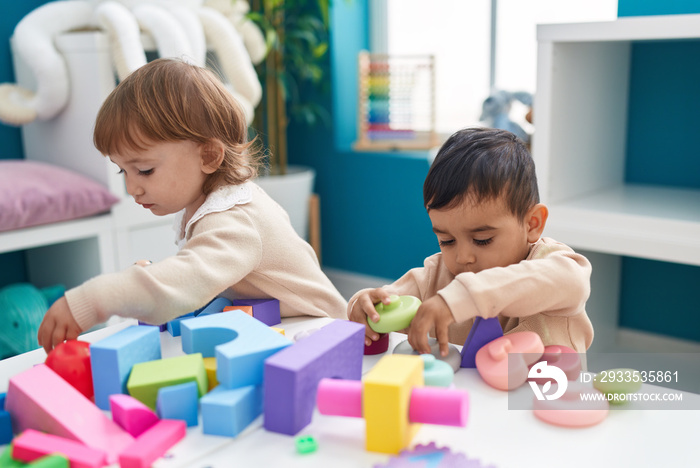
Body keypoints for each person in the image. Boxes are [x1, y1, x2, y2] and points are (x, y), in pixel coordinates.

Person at [38, 58, 347, 353]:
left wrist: (92, 300)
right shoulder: (214, 202)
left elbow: (182, 286)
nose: (132, 188)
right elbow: (203, 278)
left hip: (324, 335)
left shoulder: (234, 219)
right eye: (123, 171)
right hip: (279, 327)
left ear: (209, 156)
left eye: (144, 170)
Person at [348, 127, 593, 356]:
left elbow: (572, 282)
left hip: (545, 398)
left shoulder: (553, 265)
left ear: (532, 224)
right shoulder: (435, 277)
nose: (462, 257)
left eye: (482, 240)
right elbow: (388, 303)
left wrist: (462, 299)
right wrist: (364, 306)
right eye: (447, 240)